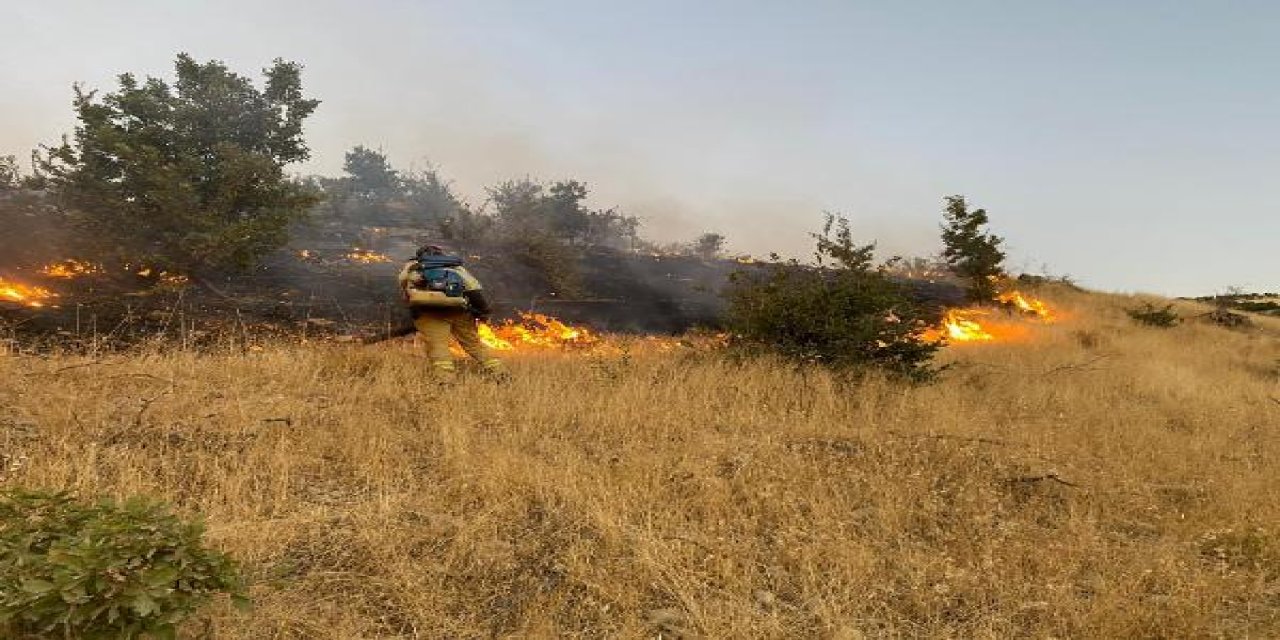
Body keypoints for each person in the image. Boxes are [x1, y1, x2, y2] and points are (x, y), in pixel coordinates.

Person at [398, 245, 506, 376]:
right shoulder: (456, 267)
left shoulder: (412, 267)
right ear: (441, 255)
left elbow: (405, 289)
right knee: (474, 345)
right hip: (460, 311)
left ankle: (445, 379)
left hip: (428, 314)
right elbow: (474, 291)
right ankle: (500, 373)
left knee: (438, 346)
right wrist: (484, 311)